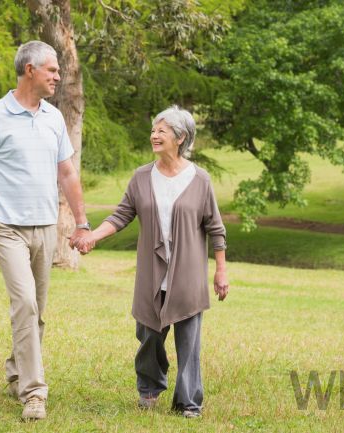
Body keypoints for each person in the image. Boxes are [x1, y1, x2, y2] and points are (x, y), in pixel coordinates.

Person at [0, 40, 91, 421]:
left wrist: (81, 222)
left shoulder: (53, 118)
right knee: (26, 304)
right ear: (29, 69)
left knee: (37, 309)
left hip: (45, 225)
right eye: (52, 70)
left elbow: (67, 172)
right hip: (5, 225)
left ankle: (16, 372)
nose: (58, 77)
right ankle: (34, 392)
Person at [72, 105, 229, 418]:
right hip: (151, 275)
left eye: (162, 131)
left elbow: (215, 228)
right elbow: (122, 215)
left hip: (187, 276)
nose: (154, 136)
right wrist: (92, 237)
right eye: (154, 130)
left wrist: (221, 270)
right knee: (148, 336)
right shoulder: (142, 177)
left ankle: (188, 402)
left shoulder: (200, 180)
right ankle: (150, 387)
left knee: (189, 343)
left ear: (181, 138)